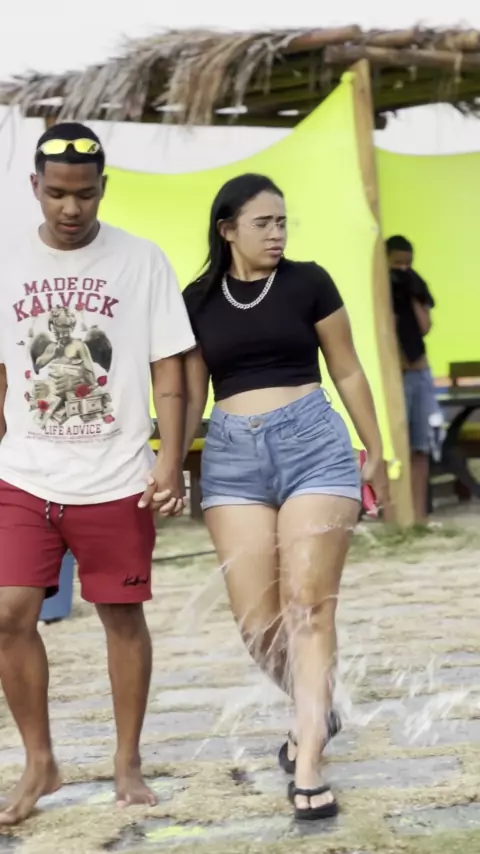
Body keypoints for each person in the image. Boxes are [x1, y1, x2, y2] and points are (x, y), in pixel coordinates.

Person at [0, 122, 195, 824]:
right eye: (57, 193)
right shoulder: (6, 258)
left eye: (84, 194)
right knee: (7, 613)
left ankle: (127, 760)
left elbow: (168, 367)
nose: (71, 208)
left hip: (116, 475)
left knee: (121, 616)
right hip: (25, 474)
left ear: (102, 189)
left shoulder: (142, 260)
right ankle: (40, 760)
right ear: (35, 187)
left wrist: (170, 459)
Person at [177, 173, 387, 821]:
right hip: (231, 458)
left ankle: (310, 759)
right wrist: (168, 465)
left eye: (282, 222)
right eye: (263, 223)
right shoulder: (196, 299)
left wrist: (375, 447)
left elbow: (346, 367)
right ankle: (315, 704)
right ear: (227, 229)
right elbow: (190, 394)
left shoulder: (309, 282)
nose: (277, 234)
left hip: (313, 445)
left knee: (308, 606)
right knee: (257, 624)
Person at [386, 235, 439, 522]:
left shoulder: (415, 285)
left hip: (419, 372)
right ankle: (395, 515)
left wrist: (413, 295)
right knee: (394, 449)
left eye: (408, 263)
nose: (403, 269)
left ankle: (419, 518)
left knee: (420, 447)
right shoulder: (379, 290)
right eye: (397, 263)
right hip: (394, 376)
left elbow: (425, 327)